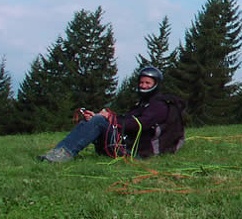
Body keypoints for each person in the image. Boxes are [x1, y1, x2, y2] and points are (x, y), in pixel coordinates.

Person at [38, 65, 172, 163]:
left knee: (99, 121)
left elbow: (139, 124)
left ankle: (61, 156)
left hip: (136, 151)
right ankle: (58, 152)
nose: (143, 85)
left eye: (148, 83)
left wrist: (109, 119)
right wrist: (98, 116)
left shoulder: (159, 105)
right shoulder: (142, 104)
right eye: (141, 82)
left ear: (156, 84)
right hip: (125, 143)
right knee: (91, 120)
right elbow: (126, 119)